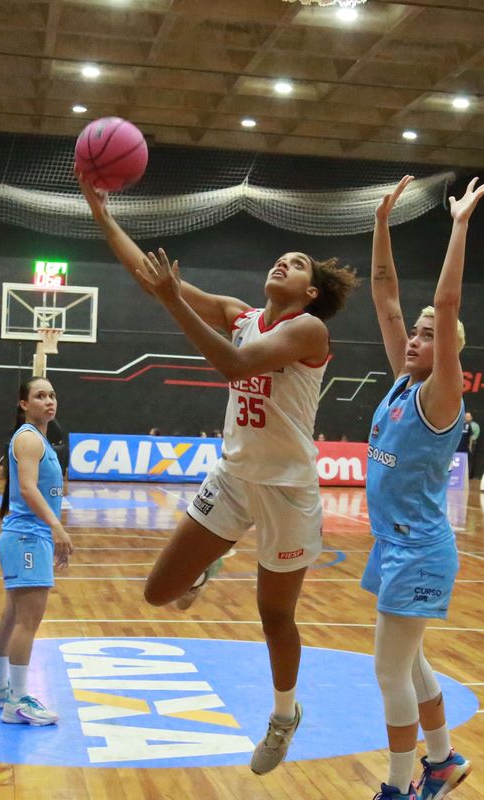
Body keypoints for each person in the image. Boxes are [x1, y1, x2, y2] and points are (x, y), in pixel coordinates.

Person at [83, 175, 359, 775]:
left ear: (310, 292)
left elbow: (232, 365)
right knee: (159, 594)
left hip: (287, 490)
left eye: (296, 263)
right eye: (280, 257)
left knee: (274, 616)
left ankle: (284, 717)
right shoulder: (240, 313)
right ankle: (208, 563)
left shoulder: (309, 331)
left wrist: (173, 298)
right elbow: (153, 280)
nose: (282, 263)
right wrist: (101, 213)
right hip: (234, 477)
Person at [360, 174, 484, 800]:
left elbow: (448, 303)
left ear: (449, 356)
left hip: (420, 548)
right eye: (416, 331)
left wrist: (458, 225)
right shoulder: (401, 381)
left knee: (388, 669)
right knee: (409, 663)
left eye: (429, 335)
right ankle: (441, 763)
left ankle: (396, 786)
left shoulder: (441, 396)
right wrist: (382, 224)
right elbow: (385, 297)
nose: (415, 336)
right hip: (392, 544)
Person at [0, 377, 74, 725]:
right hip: (27, 537)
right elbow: (27, 487)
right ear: (24, 404)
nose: (49, 401)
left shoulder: (39, 440)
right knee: (27, 621)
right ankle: (18, 702)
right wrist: (56, 525)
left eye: (52, 395)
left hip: (24, 536)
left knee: (11, 615)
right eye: (40, 396)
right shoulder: (28, 440)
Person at [457, 411, 481, 480]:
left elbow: (474, 435)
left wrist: (469, 444)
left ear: (471, 417)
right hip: (462, 445)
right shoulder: (461, 425)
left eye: (468, 417)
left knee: (469, 460)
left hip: (471, 445)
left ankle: (468, 476)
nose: (467, 418)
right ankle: (459, 475)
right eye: (466, 417)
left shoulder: (475, 425)